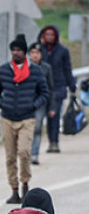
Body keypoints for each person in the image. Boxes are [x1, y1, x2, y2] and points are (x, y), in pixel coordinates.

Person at [0, 34, 50, 204]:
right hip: (7, 117)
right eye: (13, 50)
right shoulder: (3, 70)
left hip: (27, 118)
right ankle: (13, 189)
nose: (15, 53)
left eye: (18, 50)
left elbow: (44, 92)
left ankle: (25, 183)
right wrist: (1, 103)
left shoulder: (35, 71)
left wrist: (34, 105)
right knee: (10, 156)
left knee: (24, 152)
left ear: (24, 52)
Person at [38, 25, 76, 153]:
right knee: (41, 117)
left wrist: (72, 86)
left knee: (54, 115)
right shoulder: (39, 50)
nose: (49, 37)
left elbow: (67, 68)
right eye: (47, 34)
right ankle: (40, 142)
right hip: (42, 88)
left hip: (58, 87)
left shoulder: (62, 51)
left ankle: (54, 142)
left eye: (51, 35)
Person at [28, 43, 56, 165]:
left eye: (37, 53)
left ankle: (34, 154)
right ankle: (25, 153)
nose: (35, 55)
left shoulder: (46, 68)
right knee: (25, 129)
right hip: (25, 103)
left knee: (37, 128)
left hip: (40, 103)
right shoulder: (23, 68)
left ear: (41, 55)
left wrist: (52, 106)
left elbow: (50, 89)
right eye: (33, 52)